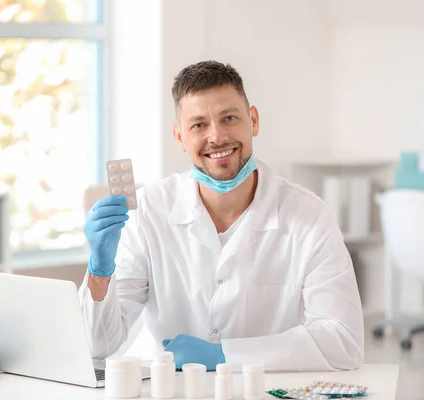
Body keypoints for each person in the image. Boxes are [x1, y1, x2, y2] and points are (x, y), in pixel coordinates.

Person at [79, 60, 364, 372]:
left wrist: (225, 356)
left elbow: (343, 342)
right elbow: (99, 347)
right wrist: (100, 269)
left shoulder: (308, 216)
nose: (217, 136)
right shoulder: (149, 211)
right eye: (199, 125)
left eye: (229, 118)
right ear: (179, 137)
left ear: (253, 120)